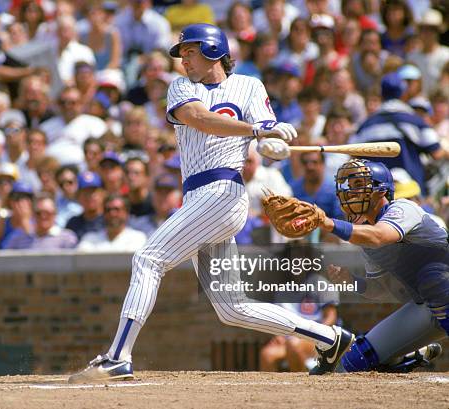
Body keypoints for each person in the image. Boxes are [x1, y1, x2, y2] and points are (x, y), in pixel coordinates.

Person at [69, 24, 354, 383]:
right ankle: (330, 337)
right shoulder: (181, 87)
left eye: (190, 51)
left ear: (214, 50)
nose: (183, 59)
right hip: (200, 199)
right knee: (231, 308)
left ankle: (118, 356)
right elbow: (200, 119)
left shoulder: (250, 86)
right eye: (183, 53)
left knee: (148, 258)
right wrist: (257, 132)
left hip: (223, 194)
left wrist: (273, 142)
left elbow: (267, 135)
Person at [317, 159, 448, 373]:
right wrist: (352, 281)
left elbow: (381, 236)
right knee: (354, 362)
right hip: (426, 305)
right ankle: (406, 356)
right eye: (350, 186)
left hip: (444, 294)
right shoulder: (365, 235)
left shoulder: (403, 208)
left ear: (381, 190)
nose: (352, 192)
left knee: (434, 279)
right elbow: (380, 289)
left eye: (359, 184)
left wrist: (329, 223)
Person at [349, 72, 446, 196]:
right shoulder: (415, 121)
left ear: (382, 94)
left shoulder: (366, 126)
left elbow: (352, 156)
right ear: (404, 93)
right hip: (411, 195)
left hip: (376, 198)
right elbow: (437, 153)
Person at [2, 193, 78, 251]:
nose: (43, 216)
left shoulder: (67, 238)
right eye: (39, 213)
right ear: (33, 214)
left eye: (47, 213)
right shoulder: (18, 238)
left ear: (55, 214)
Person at [77, 194, 147, 252]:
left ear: (127, 213)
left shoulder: (137, 238)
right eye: (108, 210)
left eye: (117, 209)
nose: (112, 214)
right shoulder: (90, 239)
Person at [65, 171, 105, 240]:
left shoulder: (109, 219)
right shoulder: (73, 223)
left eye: (93, 192)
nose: (89, 196)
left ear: (102, 194)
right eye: (85, 192)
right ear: (78, 196)